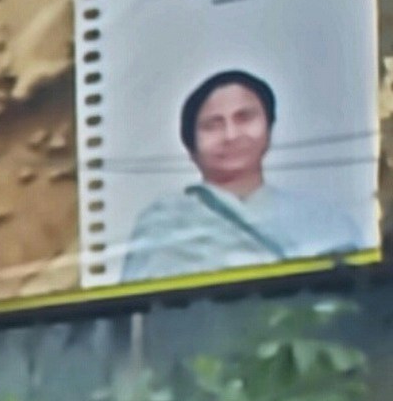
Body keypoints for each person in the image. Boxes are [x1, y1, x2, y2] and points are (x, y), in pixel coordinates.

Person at [113, 64, 313, 283]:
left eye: (244, 118)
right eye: (212, 125)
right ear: (191, 148)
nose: (231, 135)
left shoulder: (319, 219)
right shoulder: (163, 224)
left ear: (269, 128)